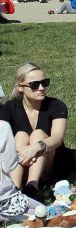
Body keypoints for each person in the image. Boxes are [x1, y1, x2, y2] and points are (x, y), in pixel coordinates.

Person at [0, 63, 68, 202]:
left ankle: (32, 187)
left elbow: (57, 138)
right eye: (34, 85)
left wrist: (34, 148)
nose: (41, 88)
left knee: (37, 134)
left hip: (47, 164)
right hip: (17, 163)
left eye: (44, 82)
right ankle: (15, 188)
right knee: (20, 136)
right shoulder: (9, 108)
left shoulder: (56, 105)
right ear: (20, 87)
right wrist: (21, 150)